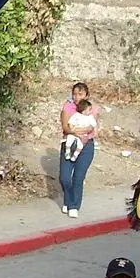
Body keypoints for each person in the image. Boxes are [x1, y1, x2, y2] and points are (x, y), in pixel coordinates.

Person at [59, 81, 95, 219]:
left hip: (86, 146)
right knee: (64, 177)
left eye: (80, 94)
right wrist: (76, 133)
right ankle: (68, 199)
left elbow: (92, 127)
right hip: (69, 142)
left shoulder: (91, 108)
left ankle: (74, 205)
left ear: (86, 95)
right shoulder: (68, 107)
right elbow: (65, 127)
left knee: (78, 177)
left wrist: (81, 132)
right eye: (74, 94)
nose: (77, 97)